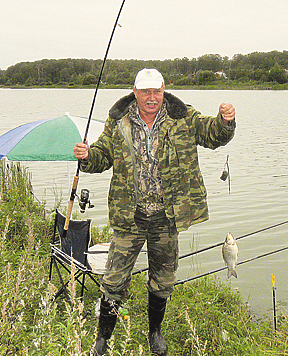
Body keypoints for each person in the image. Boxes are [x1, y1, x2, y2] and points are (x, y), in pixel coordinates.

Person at [74, 68, 236, 356]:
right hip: (129, 216)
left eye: (156, 91)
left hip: (167, 216)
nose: (152, 98)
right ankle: (103, 338)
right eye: (145, 92)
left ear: (164, 90)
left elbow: (213, 135)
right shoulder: (117, 122)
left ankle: (155, 332)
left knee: (163, 280)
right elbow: (103, 157)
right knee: (113, 279)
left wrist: (226, 121)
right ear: (134, 92)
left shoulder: (183, 116)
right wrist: (87, 157)